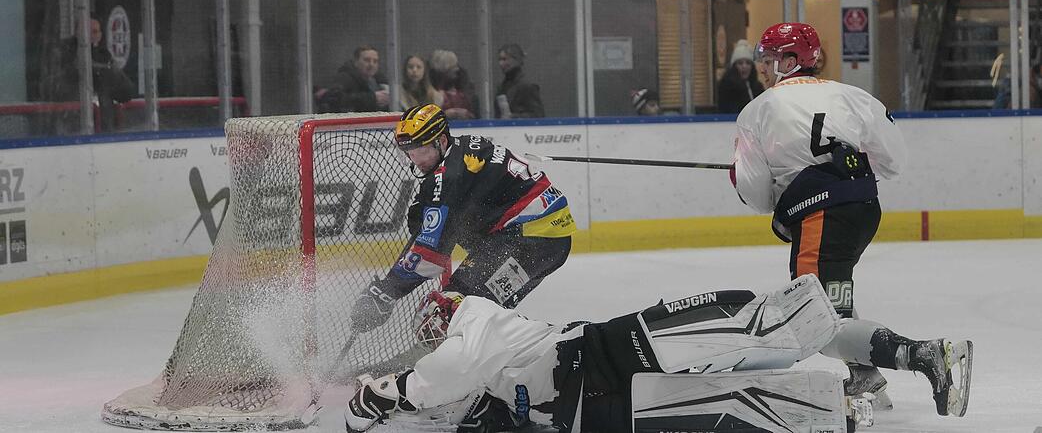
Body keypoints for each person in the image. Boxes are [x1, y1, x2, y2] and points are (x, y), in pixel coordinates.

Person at [345, 274, 970, 432]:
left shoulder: (476, 319)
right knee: (744, 397)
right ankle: (849, 404)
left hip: (599, 362)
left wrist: (389, 393)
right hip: (597, 399)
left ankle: (915, 355)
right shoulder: (463, 369)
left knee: (764, 327)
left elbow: (453, 365)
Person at [730, 22, 972, 415]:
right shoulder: (853, 95)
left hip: (821, 217)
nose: (763, 68)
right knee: (831, 301)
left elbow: (757, 197)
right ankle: (865, 378)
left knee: (816, 322)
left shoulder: (757, 111)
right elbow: (894, 162)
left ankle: (925, 355)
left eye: (770, 60)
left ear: (790, 62)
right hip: (861, 210)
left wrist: (744, 176)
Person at [350, 103, 575, 333]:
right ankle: (497, 358)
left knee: (446, 311)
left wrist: (386, 292)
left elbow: (431, 255)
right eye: (409, 152)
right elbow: (437, 220)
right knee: (481, 314)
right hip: (545, 239)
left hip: (531, 240)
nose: (416, 160)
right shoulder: (461, 149)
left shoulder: (449, 178)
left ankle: (450, 365)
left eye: (422, 150)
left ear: (442, 141)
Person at [41, 17, 135, 133]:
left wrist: (108, 72)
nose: (95, 35)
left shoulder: (104, 56)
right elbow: (52, 88)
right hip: (72, 126)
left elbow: (126, 93)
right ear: (78, 32)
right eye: (91, 31)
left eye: (97, 31)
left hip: (102, 126)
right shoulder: (63, 53)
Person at [315, 45, 389, 112]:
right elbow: (335, 99)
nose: (371, 64)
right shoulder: (344, 78)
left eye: (375, 61)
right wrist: (372, 98)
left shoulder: (379, 80)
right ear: (356, 62)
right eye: (367, 60)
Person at [494, 43, 544, 119]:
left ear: (516, 60)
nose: (500, 64)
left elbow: (538, 116)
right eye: (499, 60)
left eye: (504, 59)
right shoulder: (501, 87)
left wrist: (514, 117)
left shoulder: (527, 86)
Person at [716, 39, 764, 114]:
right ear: (734, 66)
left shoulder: (758, 87)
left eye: (748, 63)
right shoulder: (727, 88)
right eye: (740, 63)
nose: (744, 66)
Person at [429, 50, 478, 119]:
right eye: (452, 67)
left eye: (456, 66)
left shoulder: (464, 91)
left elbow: (475, 115)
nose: (457, 69)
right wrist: (446, 114)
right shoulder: (434, 94)